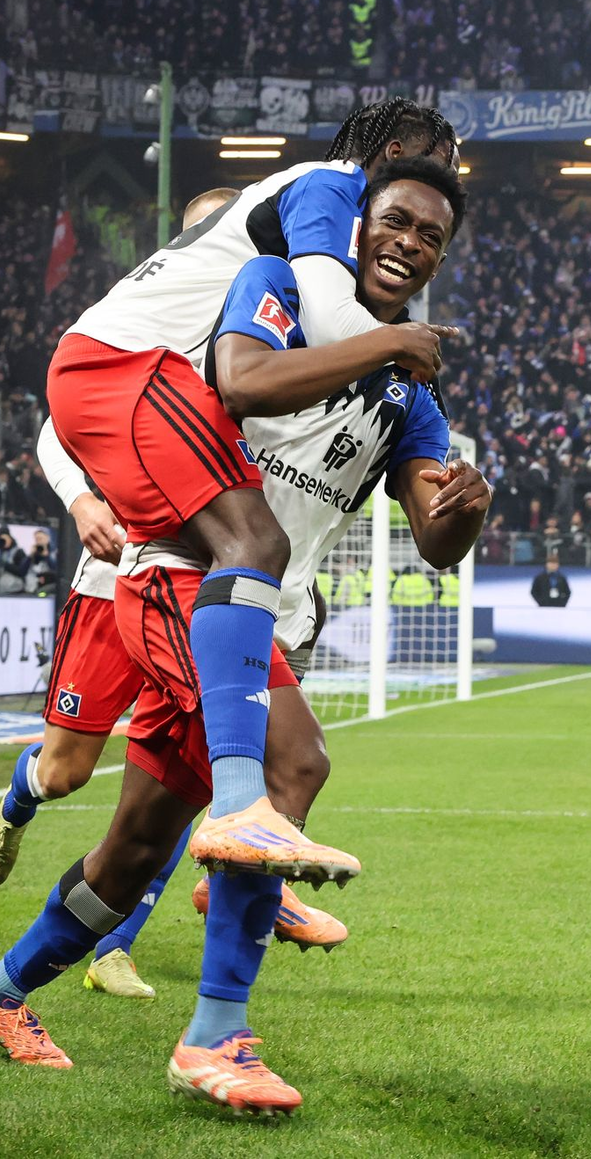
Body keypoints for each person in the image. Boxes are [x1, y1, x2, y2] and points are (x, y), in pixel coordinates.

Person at [0, 160, 488, 1115]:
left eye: (429, 237)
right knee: (292, 766)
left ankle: (6, 986)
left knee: (133, 852)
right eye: (393, 220)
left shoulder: (409, 399)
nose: (408, 243)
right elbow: (244, 381)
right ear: (357, 222)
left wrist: (465, 507)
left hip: (255, 617)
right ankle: (217, 1030)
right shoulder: (271, 287)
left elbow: (436, 541)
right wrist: (388, 340)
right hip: (176, 575)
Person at [43, 99, 459, 880]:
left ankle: (46, 977)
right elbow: (331, 327)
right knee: (254, 545)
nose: (445, 182)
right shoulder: (330, 189)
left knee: (150, 833)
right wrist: (399, 339)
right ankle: (241, 812)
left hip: (144, 399)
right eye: (440, 162)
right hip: (125, 375)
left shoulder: (400, 394)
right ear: (394, 151)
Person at [0, 190, 340, 1003]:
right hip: (121, 576)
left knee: (179, 795)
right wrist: (83, 502)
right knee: (69, 769)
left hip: (206, 586)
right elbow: (62, 417)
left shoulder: (278, 320)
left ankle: (87, 960)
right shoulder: (163, 314)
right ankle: (19, 803)